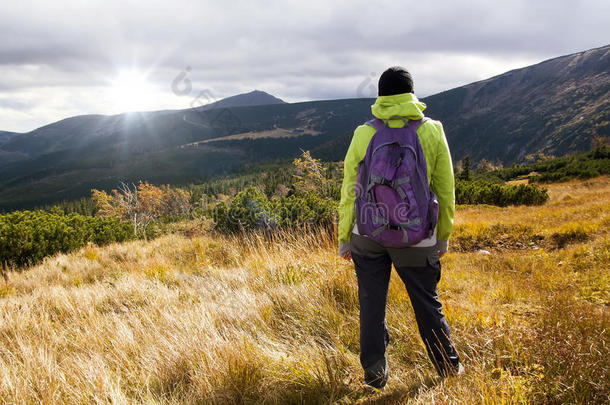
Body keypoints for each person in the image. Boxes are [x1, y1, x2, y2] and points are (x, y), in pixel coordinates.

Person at [338, 66, 462, 388]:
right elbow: (445, 189)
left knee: (371, 303)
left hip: (367, 234)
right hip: (417, 237)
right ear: (411, 93)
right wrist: (443, 236)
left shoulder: (363, 133)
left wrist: (344, 237)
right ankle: (448, 369)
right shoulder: (432, 131)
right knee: (425, 302)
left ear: (380, 96)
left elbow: (350, 187)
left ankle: (375, 375)